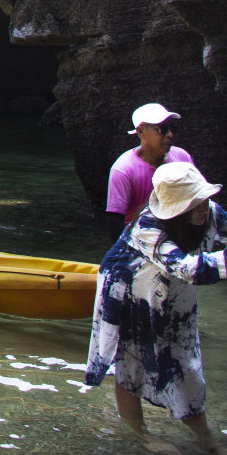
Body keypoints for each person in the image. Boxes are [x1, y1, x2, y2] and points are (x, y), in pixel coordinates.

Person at [85, 162, 227, 455]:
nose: (203, 208)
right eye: (194, 204)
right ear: (176, 211)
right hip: (128, 290)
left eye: (203, 200)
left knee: (186, 362)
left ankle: (206, 439)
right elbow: (187, 269)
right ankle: (141, 435)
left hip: (170, 290)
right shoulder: (148, 226)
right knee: (129, 360)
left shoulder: (210, 212)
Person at [107, 102, 194, 242]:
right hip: (143, 239)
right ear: (141, 132)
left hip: (179, 232)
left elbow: (198, 198)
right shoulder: (123, 169)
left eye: (173, 128)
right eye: (162, 129)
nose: (170, 134)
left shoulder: (182, 158)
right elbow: (115, 220)